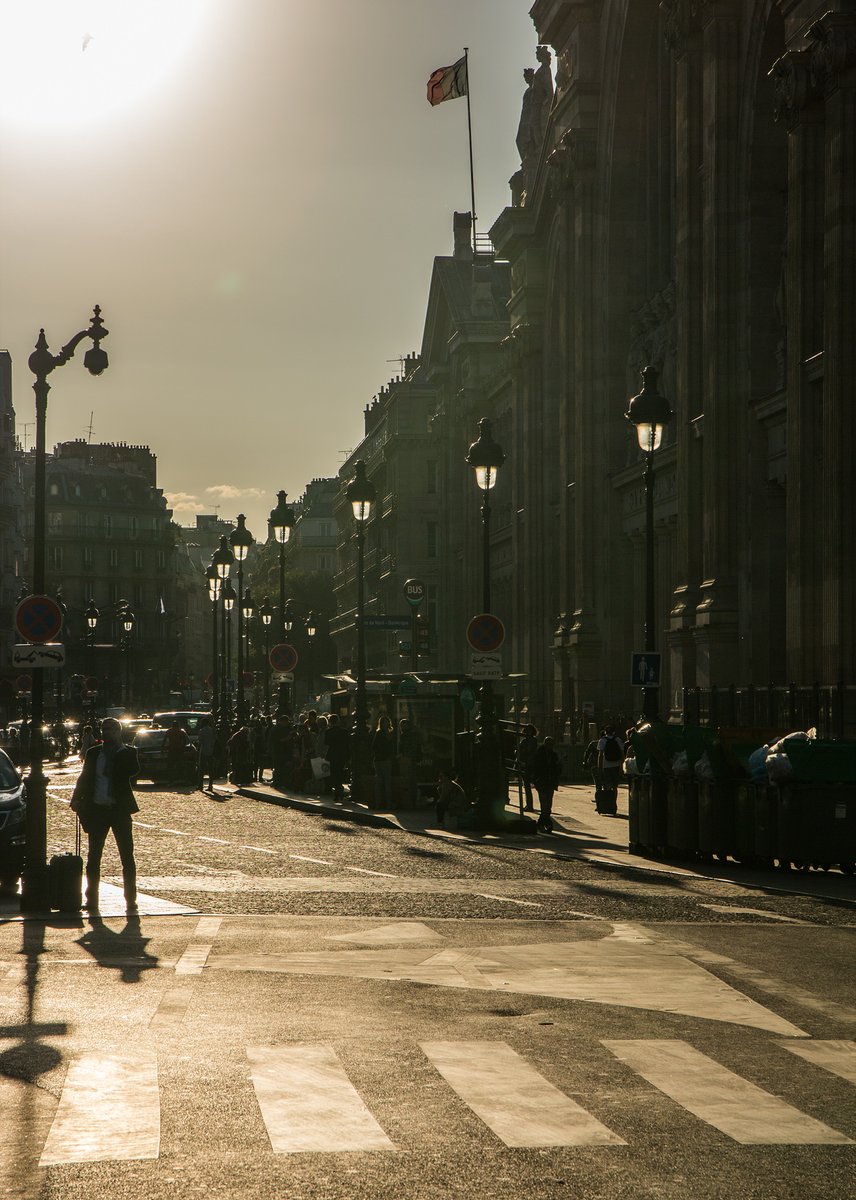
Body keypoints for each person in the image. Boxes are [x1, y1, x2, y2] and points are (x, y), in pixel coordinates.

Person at [70, 716, 140, 914]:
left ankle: (130, 900)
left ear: (118, 732)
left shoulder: (128, 752)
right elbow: (84, 777)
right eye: (104, 729)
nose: (107, 732)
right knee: (94, 857)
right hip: (98, 809)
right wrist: (75, 798)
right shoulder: (93, 753)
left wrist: (117, 753)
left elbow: (133, 771)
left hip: (119, 810)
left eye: (111, 729)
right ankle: (91, 900)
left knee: (127, 857)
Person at [532, 735, 561, 833]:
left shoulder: (552, 755)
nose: (550, 746)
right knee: (545, 804)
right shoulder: (540, 754)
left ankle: (542, 823)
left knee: (547, 804)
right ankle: (547, 823)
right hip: (543, 781)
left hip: (549, 782)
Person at [596, 725, 624, 815]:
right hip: (616, 765)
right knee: (615, 786)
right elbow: (622, 753)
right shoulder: (618, 740)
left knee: (607, 786)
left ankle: (607, 805)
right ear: (613, 732)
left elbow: (600, 755)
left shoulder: (602, 740)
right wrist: (621, 766)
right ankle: (614, 804)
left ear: (605, 732)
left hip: (606, 766)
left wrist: (600, 767)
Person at [324, 713, 350, 801]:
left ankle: (337, 791)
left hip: (332, 755)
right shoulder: (344, 731)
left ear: (330, 722)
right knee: (340, 772)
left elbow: (326, 744)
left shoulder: (328, 732)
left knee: (334, 774)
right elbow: (347, 745)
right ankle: (339, 789)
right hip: (342, 755)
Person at [371, 715, 395, 808]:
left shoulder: (378, 733)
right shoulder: (387, 734)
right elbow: (388, 747)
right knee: (387, 782)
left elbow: (374, 747)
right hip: (385, 760)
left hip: (377, 760)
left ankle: (379, 803)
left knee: (379, 782)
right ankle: (388, 803)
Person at [397, 718, 420, 806]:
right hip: (409, 759)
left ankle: (410, 800)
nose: (402, 727)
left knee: (410, 780)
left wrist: (403, 755)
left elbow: (411, 749)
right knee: (410, 780)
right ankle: (410, 800)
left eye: (404, 725)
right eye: (401, 726)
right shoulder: (407, 735)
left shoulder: (408, 736)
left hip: (409, 760)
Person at [517, 724, 538, 812]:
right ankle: (529, 804)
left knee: (527, 785)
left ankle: (529, 805)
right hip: (527, 764)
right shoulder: (528, 741)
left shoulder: (529, 741)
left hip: (529, 764)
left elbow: (527, 751)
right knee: (526, 786)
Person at [197, 716, 217, 792]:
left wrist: (198, 752)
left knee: (201, 769)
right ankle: (210, 785)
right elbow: (215, 739)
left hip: (203, 750)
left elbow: (200, 742)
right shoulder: (212, 730)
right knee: (210, 769)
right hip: (211, 751)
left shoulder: (202, 731)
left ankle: (200, 785)